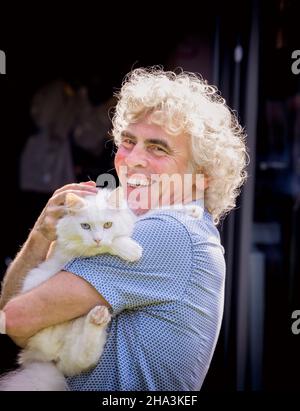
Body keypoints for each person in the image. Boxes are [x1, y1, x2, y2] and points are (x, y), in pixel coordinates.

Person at [0, 67, 248, 390]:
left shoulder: (171, 229)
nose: (133, 160)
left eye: (158, 148)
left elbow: (17, 320)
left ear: (200, 174)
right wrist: (41, 237)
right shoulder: (141, 224)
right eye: (128, 141)